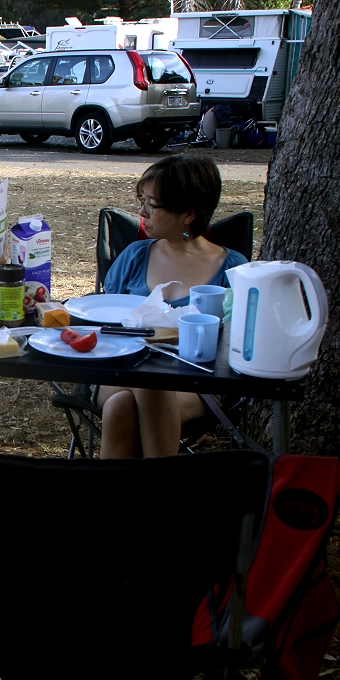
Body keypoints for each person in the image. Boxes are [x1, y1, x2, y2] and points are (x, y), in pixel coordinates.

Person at [97, 154, 248, 458]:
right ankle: (165, 485)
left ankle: (118, 491)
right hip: (121, 371)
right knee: (144, 385)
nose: (141, 212)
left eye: (152, 205)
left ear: (188, 214)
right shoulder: (134, 256)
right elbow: (103, 322)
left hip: (197, 382)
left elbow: (236, 343)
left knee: (125, 404)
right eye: (142, 201)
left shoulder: (233, 269)